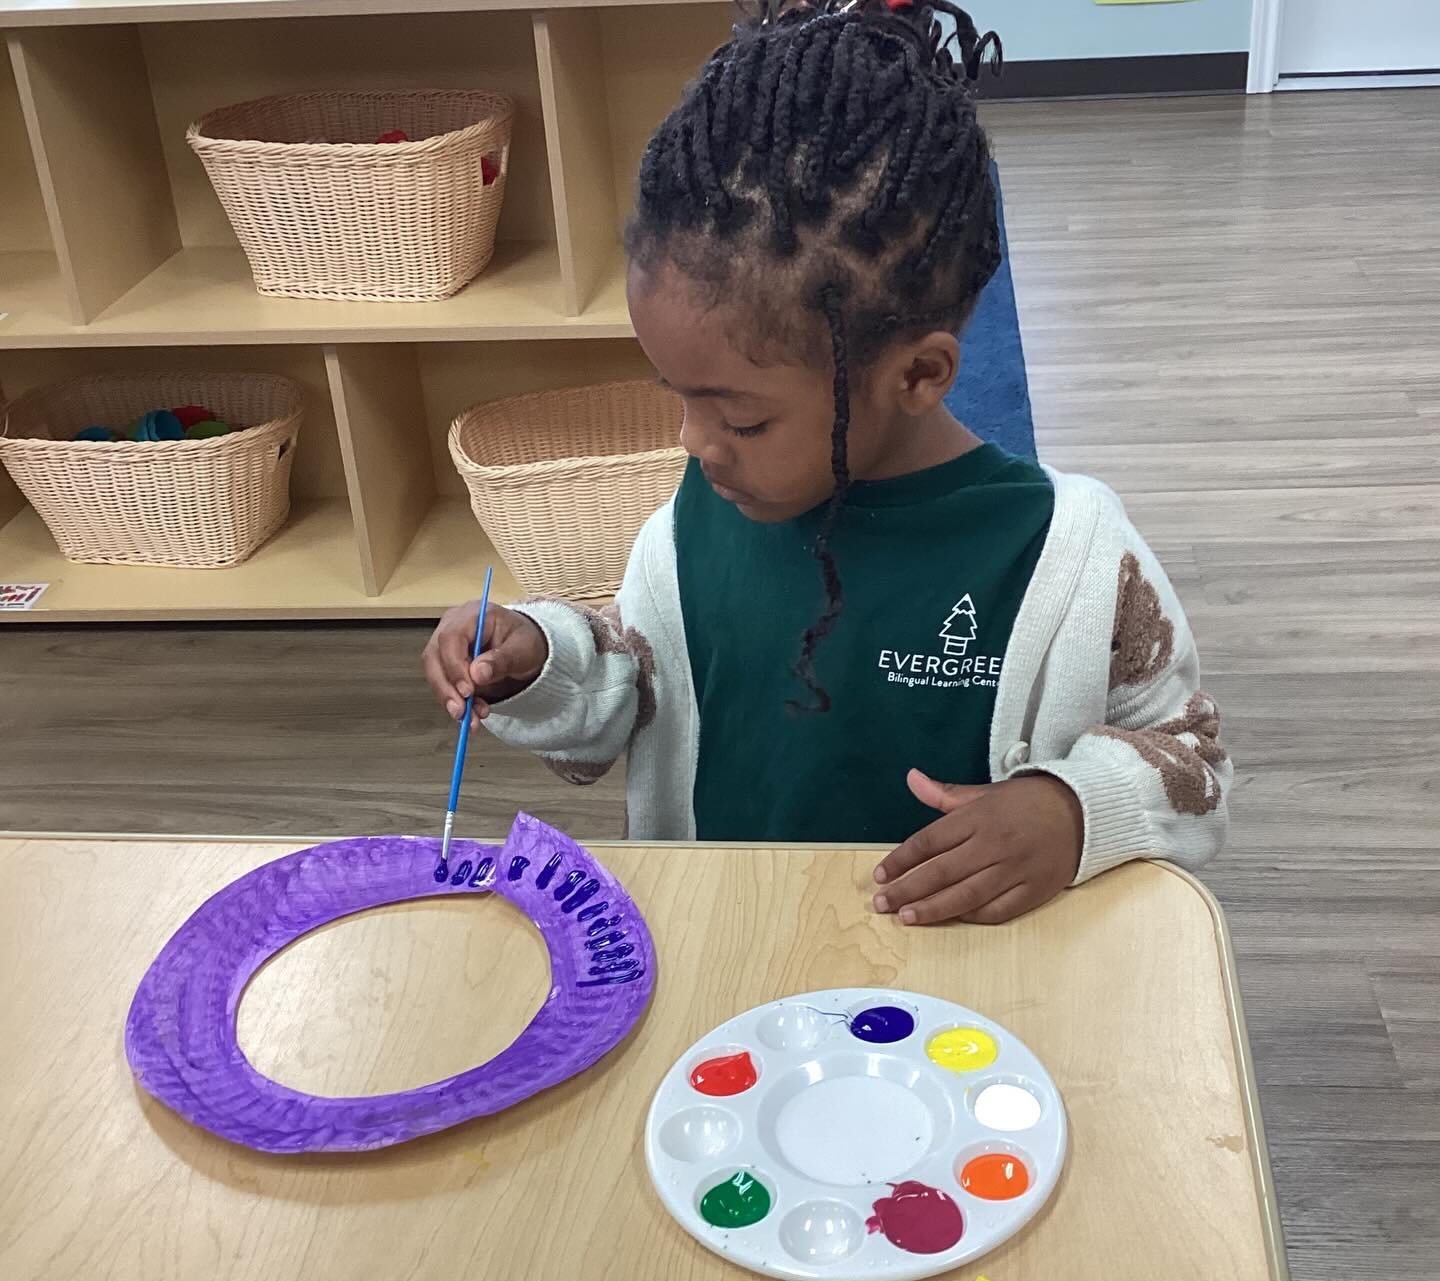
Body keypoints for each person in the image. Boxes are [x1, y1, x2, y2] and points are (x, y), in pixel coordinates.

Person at [423, 0, 1230, 925]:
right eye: (677, 396)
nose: (692, 443)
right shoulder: (698, 521)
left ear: (919, 375)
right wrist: (543, 658)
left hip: (967, 995)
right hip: (732, 947)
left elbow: (1192, 758)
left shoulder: (1073, 556)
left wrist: (1076, 811)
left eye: (742, 418)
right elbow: (638, 680)